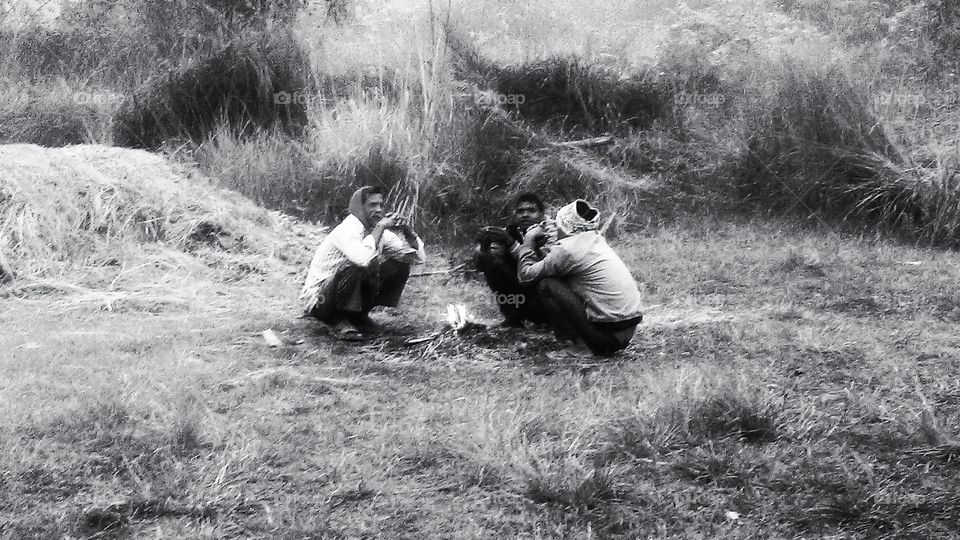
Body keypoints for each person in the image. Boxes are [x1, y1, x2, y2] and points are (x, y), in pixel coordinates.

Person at [512, 199, 643, 357]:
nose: (552, 227)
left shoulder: (567, 251)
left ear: (564, 226)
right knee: (556, 281)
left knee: (547, 285)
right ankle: (587, 343)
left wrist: (527, 242)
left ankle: (580, 347)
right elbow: (559, 263)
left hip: (606, 338)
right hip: (624, 333)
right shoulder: (594, 239)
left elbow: (525, 276)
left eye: (556, 225)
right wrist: (540, 248)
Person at [300, 186, 425, 341]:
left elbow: (416, 259)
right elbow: (363, 259)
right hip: (319, 301)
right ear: (360, 207)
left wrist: (408, 232)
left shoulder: (379, 233)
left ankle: (359, 316)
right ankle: (339, 320)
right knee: (354, 266)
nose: (379, 210)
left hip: (338, 294)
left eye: (380, 205)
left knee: (398, 265)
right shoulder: (347, 230)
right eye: (372, 205)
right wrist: (380, 227)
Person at [474, 192, 554, 328]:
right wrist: (483, 248)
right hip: (522, 295)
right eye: (520, 211)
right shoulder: (511, 231)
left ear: (542, 214)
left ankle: (553, 323)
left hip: (547, 297)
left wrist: (511, 243)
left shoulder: (552, 230)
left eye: (531, 210)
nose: (525, 215)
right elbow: (481, 266)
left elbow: (546, 267)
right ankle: (512, 317)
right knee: (494, 264)